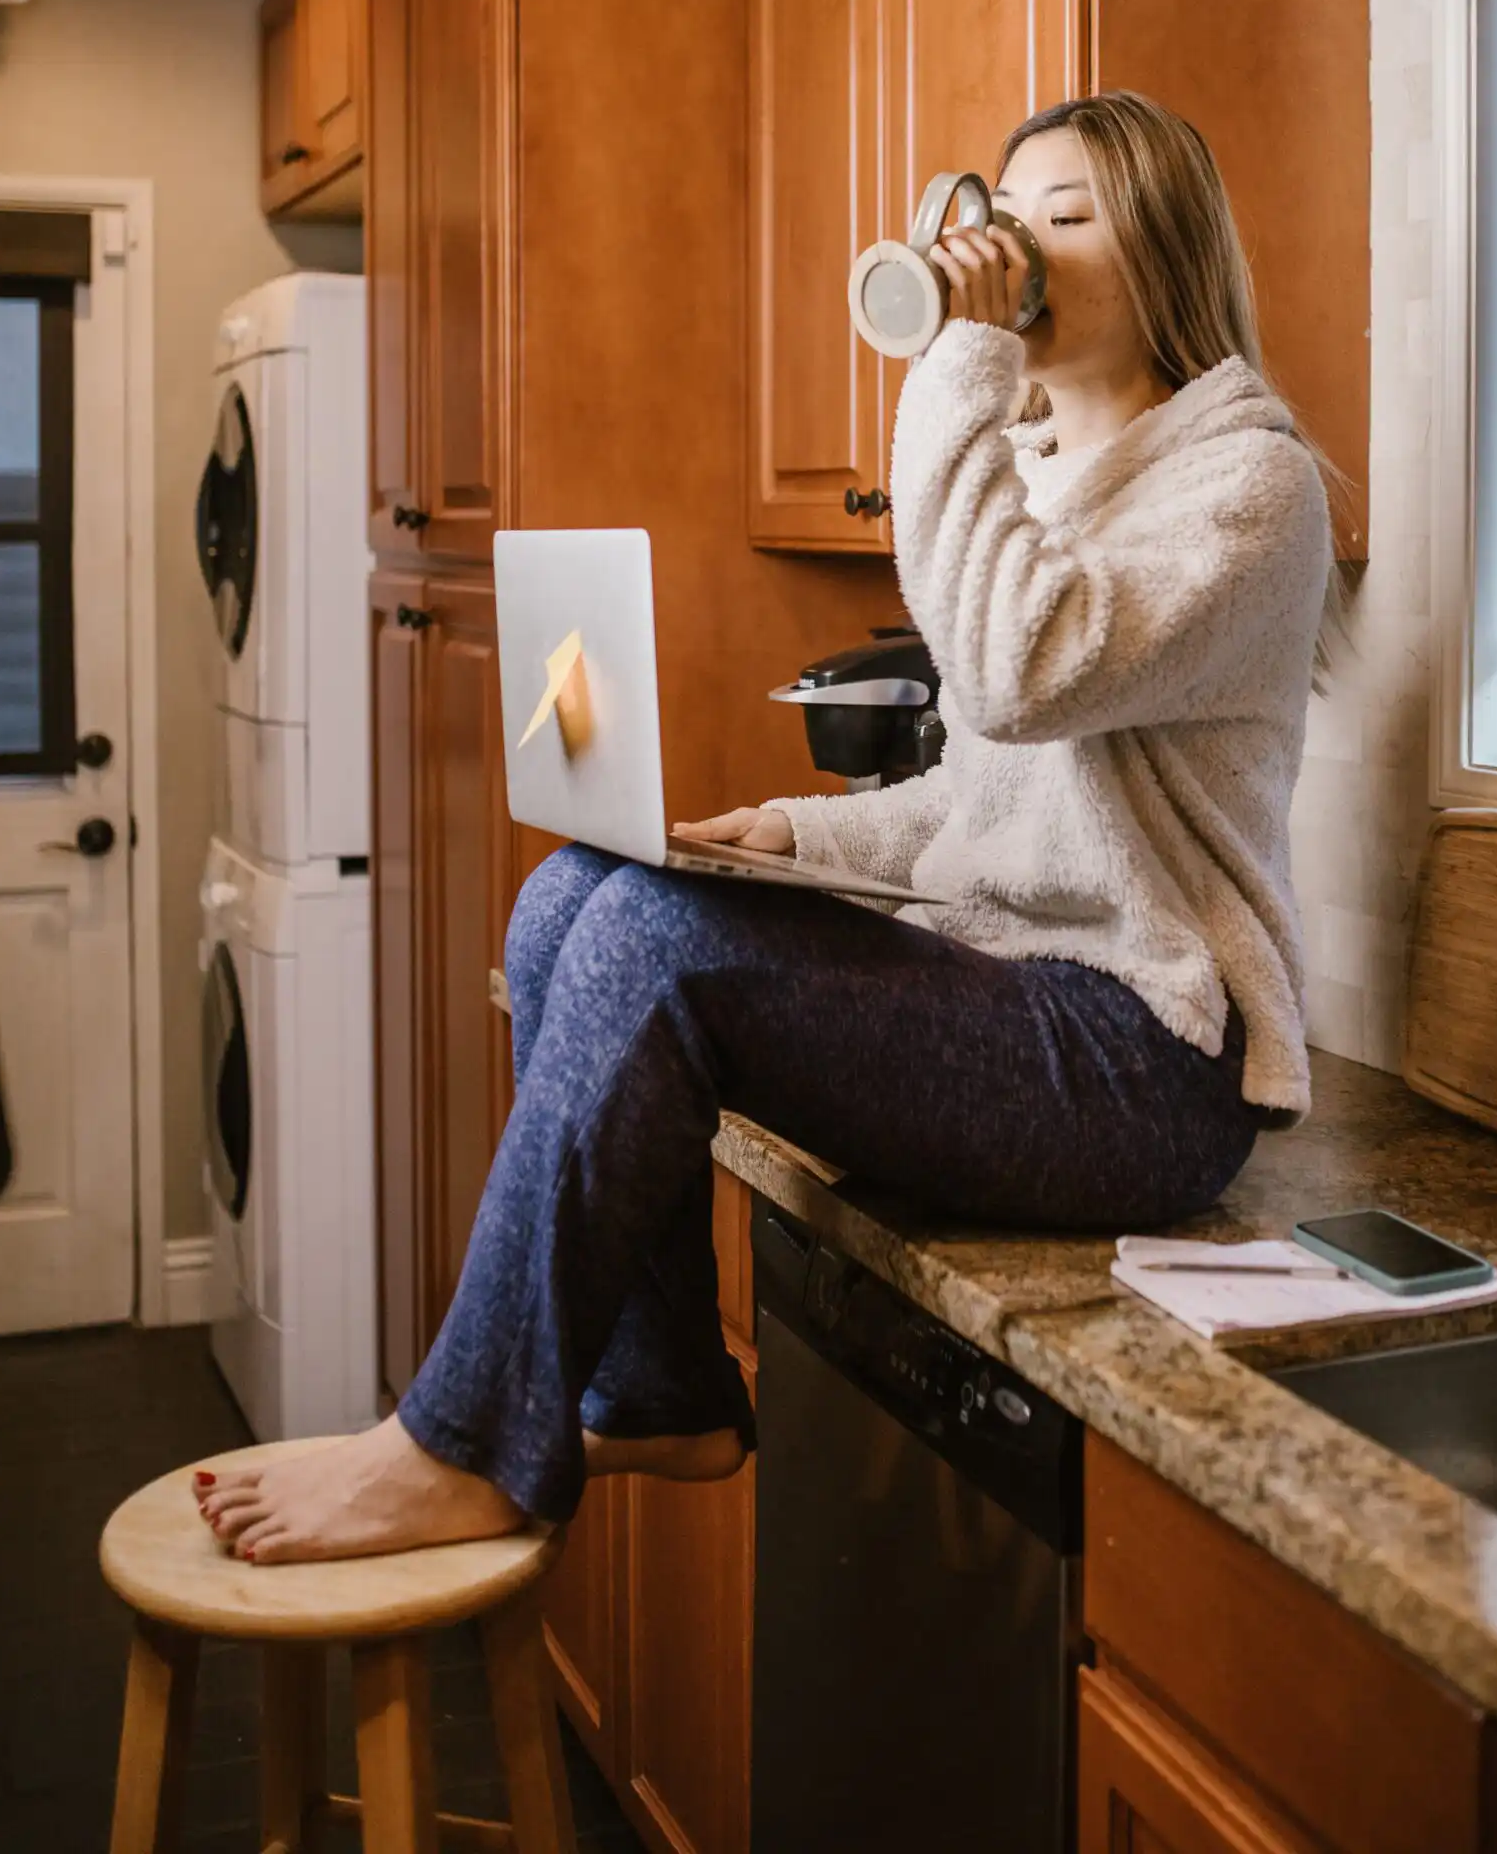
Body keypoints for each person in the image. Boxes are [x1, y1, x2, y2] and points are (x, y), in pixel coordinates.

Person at [194, 90, 1335, 1565]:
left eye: (1061, 219)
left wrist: (958, 363)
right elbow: (989, 793)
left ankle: (459, 1437)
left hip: (1147, 1069)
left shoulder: (1252, 488)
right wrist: (793, 837)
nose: (1014, 247)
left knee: (661, 949)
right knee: (572, 898)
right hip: (1016, 1006)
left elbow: (1013, 668)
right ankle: (657, 1381)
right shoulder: (1040, 474)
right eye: (1003, 212)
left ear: (1168, 251)